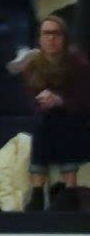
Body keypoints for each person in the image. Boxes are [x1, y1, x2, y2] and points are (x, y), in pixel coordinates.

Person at [17, 15, 90, 210]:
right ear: (39, 39)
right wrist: (42, 102)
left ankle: (45, 191)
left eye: (55, 34)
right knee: (45, 121)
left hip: (79, 122)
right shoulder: (32, 66)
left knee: (59, 122)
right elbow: (29, 101)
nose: (50, 38)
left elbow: (85, 101)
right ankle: (59, 189)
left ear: (64, 38)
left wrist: (59, 101)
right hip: (48, 123)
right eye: (46, 34)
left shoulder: (79, 64)